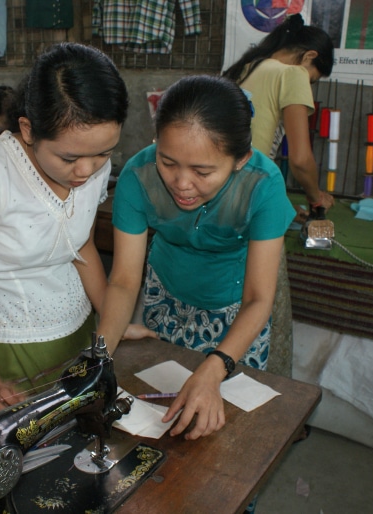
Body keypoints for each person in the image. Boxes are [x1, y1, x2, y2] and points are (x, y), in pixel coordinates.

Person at [0, 43, 151, 409]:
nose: (86, 171)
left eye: (103, 153)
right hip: (10, 347)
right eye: (69, 157)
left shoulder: (91, 170)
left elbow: (79, 242)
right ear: (28, 129)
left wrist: (110, 320)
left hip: (80, 331)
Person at [96, 75, 296, 442]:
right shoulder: (138, 177)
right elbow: (124, 280)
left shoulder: (262, 185)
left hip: (236, 312)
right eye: (168, 162)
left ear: (240, 160)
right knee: (161, 418)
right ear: (156, 142)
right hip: (166, 299)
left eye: (202, 172)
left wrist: (214, 367)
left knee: (229, 433)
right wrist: (99, 358)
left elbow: (258, 299)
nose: (182, 183)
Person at [223, 13, 335, 218]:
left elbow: (255, 143)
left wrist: (282, 206)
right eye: (312, 79)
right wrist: (315, 198)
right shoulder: (292, 73)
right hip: (242, 200)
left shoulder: (250, 67)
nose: (308, 84)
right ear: (310, 56)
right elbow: (300, 160)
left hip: (220, 189)